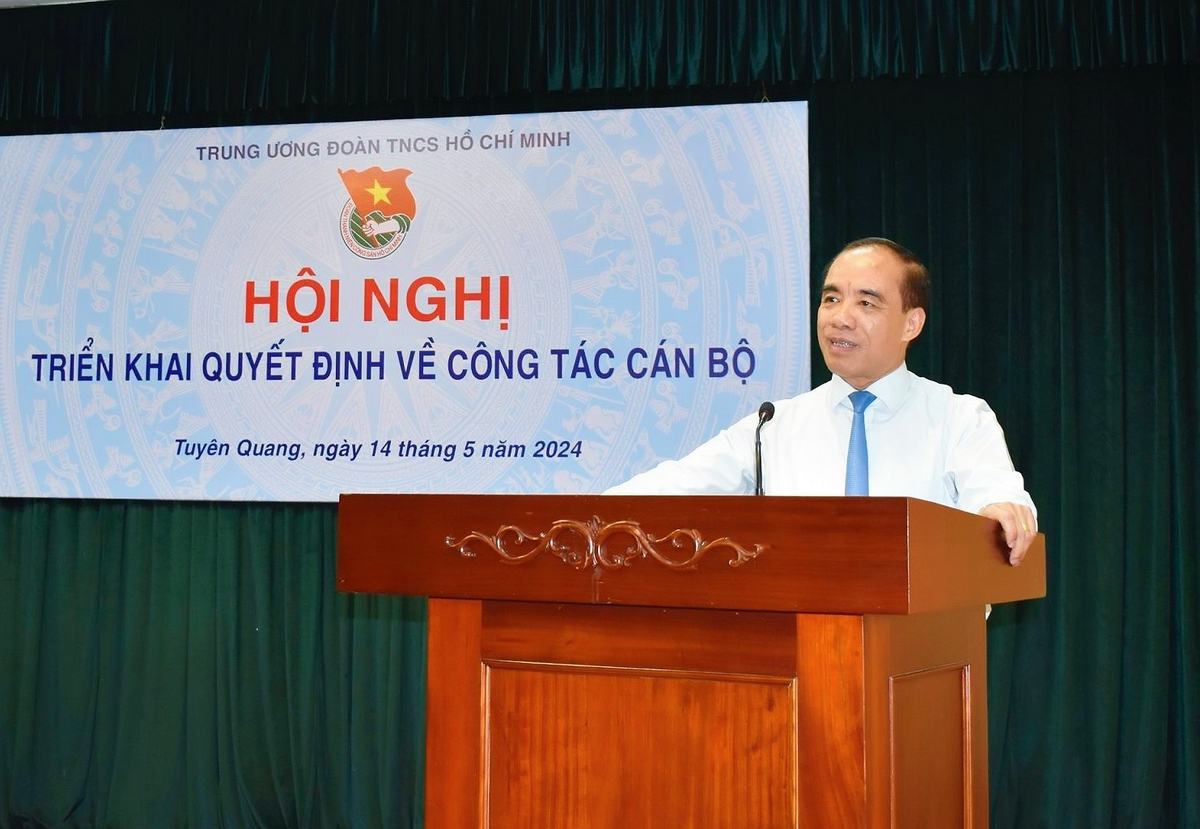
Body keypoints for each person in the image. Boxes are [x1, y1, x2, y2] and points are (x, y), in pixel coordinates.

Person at [606, 237, 1038, 566]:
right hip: (801, 647)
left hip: (924, 646)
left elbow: (997, 496)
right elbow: (676, 486)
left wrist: (1000, 511)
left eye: (866, 302)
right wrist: (587, 513)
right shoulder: (773, 425)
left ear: (912, 323)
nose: (840, 317)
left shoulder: (960, 418)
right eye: (831, 299)